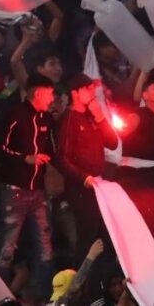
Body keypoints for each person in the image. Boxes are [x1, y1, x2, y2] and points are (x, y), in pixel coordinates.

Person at [0, 75, 57, 284]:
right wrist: (25, 158)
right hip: (15, 189)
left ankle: (44, 297)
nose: (53, 98)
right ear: (38, 93)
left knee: (45, 245)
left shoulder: (47, 119)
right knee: (7, 247)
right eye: (50, 93)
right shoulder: (15, 115)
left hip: (38, 190)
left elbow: (53, 150)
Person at [56, 74, 118, 265]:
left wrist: (99, 116)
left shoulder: (90, 117)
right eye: (88, 89)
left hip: (98, 185)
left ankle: (103, 278)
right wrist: (84, 177)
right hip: (81, 188)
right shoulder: (69, 120)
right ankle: (79, 280)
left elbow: (113, 143)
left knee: (103, 232)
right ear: (75, 93)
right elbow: (62, 156)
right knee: (88, 233)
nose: (92, 93)